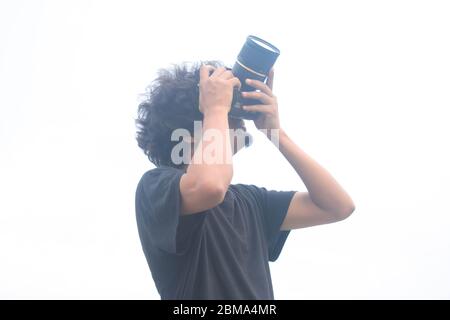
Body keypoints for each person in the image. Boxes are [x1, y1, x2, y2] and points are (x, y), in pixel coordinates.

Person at [134, 60, 355, 299]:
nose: (238, 120)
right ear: (192, 133)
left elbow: (337, 206)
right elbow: (210, 186)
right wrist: (216, 109)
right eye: (229, 111)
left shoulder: (251, 201)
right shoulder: (156, 186)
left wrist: (276, 133)